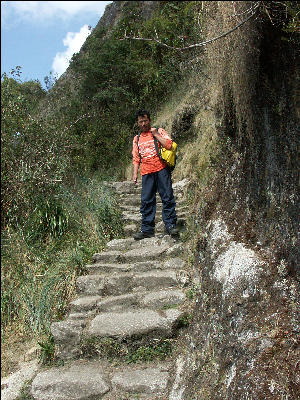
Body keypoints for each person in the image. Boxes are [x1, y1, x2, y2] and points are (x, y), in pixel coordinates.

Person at [132, 110, 178, 240]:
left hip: (162, 169)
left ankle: (170, 225)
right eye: (140, 122)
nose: (143, 124)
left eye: (145, 121)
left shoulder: (159, 131)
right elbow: (136, 158)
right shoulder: (137, 139)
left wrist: (156, 134)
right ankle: (147, 230)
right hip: (146, 173)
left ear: (149, 120)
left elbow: (169, 145)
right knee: (147, 201)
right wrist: (135, 174)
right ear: (138, 123)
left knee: (167, 197)